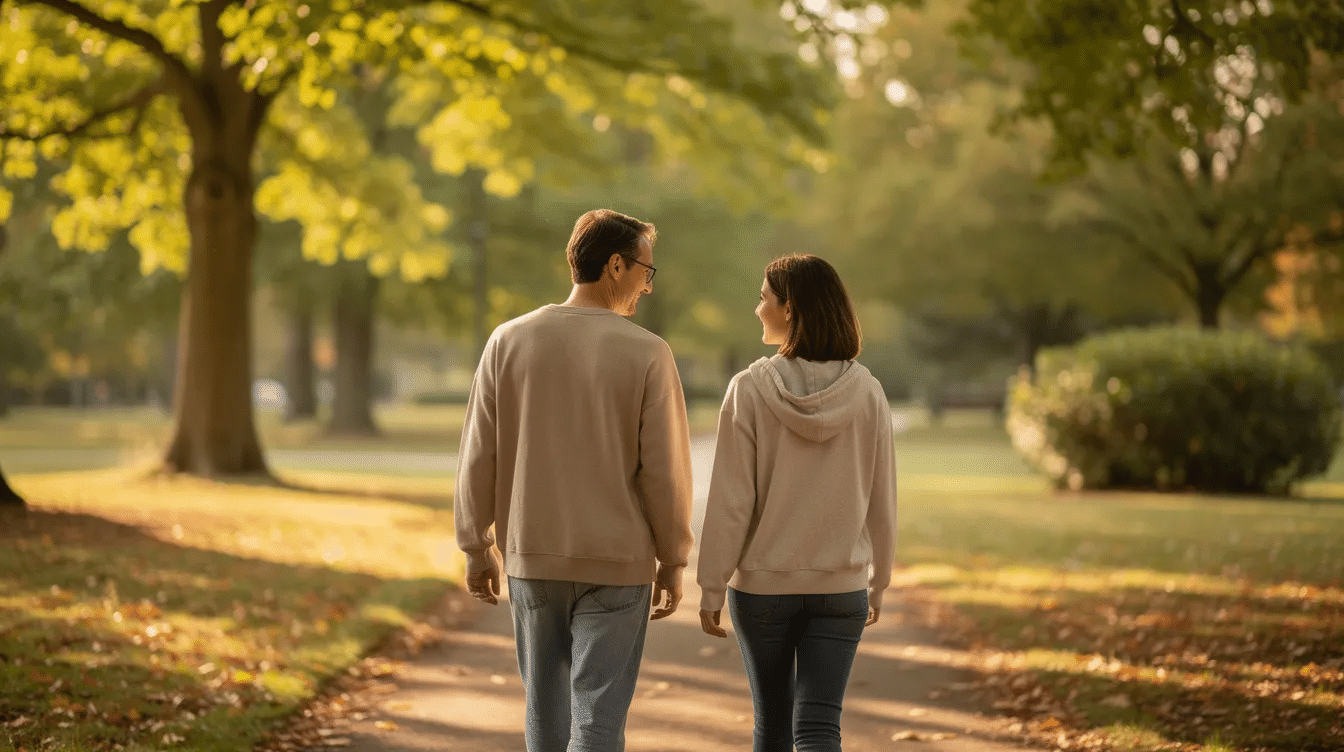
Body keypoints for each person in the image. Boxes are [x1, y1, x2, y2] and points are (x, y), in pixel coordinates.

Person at [455, 209, 695, 752]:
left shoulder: (508, 341)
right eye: (646, 271)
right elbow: (664, 471)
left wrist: (476, 545)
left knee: (545, 713)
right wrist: (673, 556)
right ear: (615, 265)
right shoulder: (648, 352)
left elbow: (478, 454)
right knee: (599, 721)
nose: (648, 287)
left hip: (534, 557)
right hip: (618, 563)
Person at [696, 253, 897, 752]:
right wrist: (880, 578)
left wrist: (711, 583)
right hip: (840, 586)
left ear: (790, 309)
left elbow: (731, 500)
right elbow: (881, 497)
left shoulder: (748, 390)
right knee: (820, 727)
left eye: (764, 298)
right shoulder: (868, 392)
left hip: (763, 589)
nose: (757, 308)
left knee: (773, 725)